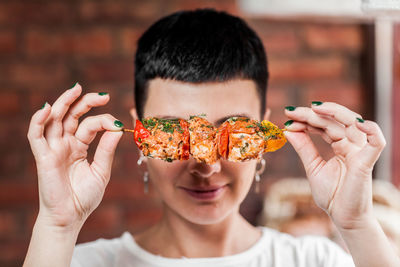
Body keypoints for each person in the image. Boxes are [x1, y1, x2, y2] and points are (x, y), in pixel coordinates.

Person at [23, 9, 399, 267]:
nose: (207, 165)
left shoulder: (317, 261)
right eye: (172, 131)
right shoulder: (77, 261)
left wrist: (357, 223)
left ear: (264, 127)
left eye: (235, 131)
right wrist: (56, 225)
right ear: (140, 134)